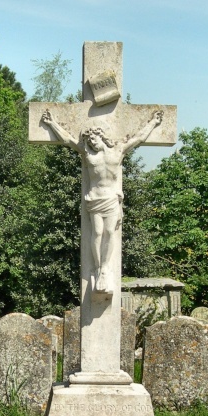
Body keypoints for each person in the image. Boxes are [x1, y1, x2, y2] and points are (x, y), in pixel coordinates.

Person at [41, 108, 163, 295]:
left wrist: (153, 123)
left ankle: (105, 269)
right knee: (97, 233)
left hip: (112, 199)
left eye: (94, 140)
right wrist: (52, 124)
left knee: (109, 232)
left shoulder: (118, 151)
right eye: (89, 141)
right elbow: (67, 139)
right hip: (95, 199)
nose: (91, 143)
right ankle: (98, 268)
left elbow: (138, 138)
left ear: (102, 137)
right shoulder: (87, 154)